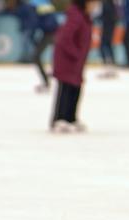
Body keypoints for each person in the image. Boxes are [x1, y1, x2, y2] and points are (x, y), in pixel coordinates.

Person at [50, 0, 100, 133]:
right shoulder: (76, 16)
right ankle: (59, 118)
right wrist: (76, 53)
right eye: (94, 4)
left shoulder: (83, 16)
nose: (95, 7)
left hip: (76, 61)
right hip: (67, 60)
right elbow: (63, 38)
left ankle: (71, 117)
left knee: (76, 88)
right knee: (66, 88)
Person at [32, 0, 59, 92]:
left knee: (36, 56)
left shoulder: (37, 5)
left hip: (49, 33)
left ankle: (48, 80)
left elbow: (46, 22)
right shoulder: (45, 4)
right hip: (52, 32)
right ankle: (50, 78)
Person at [98, 0, 118, 78]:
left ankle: (108, 64)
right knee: (107, 45)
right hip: (109, 24)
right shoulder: (109, 3)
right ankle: (110, 65)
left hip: (108, 25)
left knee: (104, 45)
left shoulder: (107, 3)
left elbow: (106, 13)